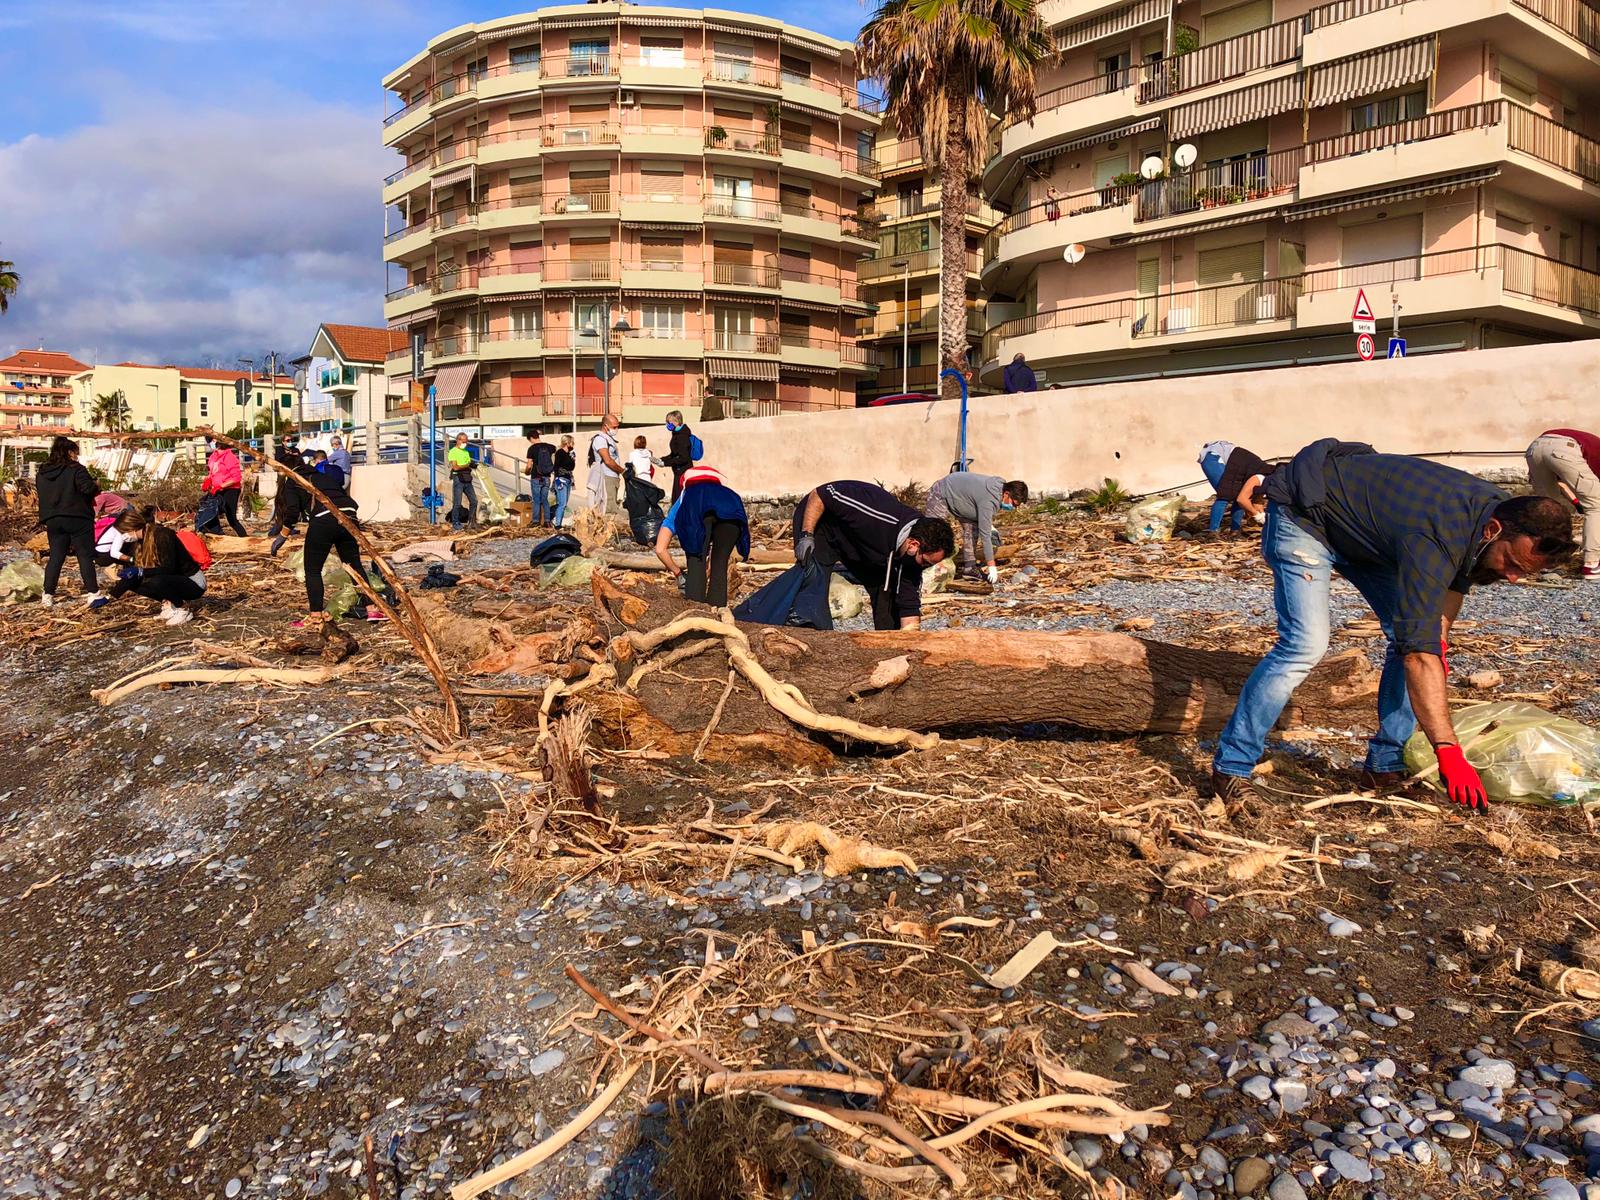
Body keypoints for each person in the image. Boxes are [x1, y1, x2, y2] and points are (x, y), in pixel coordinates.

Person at [1210, 439, 1577, 809]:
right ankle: (1231, 767)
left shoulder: (1496, 520)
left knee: (1418, 644)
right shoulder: (1436, 535)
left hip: (1367, 538)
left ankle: (1384, 766)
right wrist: (1448, 751)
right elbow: (1419, 654)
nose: (1513, 578)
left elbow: (1450, 594)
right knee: (1306, 644)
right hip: (1304, 516)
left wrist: (1437, 647)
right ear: (1493, 531)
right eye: (1511, 564)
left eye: (1523, 573)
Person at [793, 480, 955, 631]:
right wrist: (807, 535)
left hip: (861, 547)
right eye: (925, 563)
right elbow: (822, 493)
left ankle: (887, 644)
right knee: (814, 578)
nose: (924, 568)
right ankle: (807, 631)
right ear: (913, 545)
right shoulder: (878, 515)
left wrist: (911, 640)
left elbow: (909, 604)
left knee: (886, 590)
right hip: (821, 524)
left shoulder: (912, 559)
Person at [297, 462, 387, 625]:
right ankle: (372, 609)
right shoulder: (336, 486)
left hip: (324, 519)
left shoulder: (303, 480)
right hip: (349, 518)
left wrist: (283, 533)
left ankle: (316, 615)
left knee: (312, 570)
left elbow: (291, 509)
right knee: (354, 566)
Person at [653, 465, 749, 607]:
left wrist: (678, 573)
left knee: (696, 562)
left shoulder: (687, 496)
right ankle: (717, 612)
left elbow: (660, 549)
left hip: (697, 515)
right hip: (732, 515)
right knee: (720, 565)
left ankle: (696, 612)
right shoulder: (728, 494)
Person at [102, 509, 207, 625]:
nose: (123, 537)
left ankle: (182, 608)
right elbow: (134, 575)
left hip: (192, 581)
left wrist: (141, 571)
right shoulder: (138, 543)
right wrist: (110, 596)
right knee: (134, 582)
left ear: (132, 527)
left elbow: (169, 568)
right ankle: (168, 603)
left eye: (123, 532)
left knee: (157, 580)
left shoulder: (163, 535)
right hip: (172, 579)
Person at [35, 435, 105, 608]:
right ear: (68, 452)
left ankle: (48, 595)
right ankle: (93, 593)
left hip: (52, 519)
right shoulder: (76, 469)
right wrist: (97, 484)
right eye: (75, 452)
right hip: (77, 517)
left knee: (56, 557)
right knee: (84, 556)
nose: (77, 456)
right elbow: (87, 489)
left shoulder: (42, 472)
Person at [1525, 428, 1600, 581]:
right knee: (1596, 505)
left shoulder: (1591, 446)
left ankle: (1549, 562)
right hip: (1566, 449)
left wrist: (1576, 502)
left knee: (1548, 508)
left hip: (1535, 448)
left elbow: (1562, 481)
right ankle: (1592, 564)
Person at [925, 473, 1028, 583]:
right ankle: (925, 563)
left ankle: (970, 568)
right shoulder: (989, 500)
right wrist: (991, 566)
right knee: (934, 531)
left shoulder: (999, 491)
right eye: (1014, 504)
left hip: (963, 502)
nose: (1013, 508)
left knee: (973, 530)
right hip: (942, 492)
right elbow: (985, 536)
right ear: (1006, 494)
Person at [1198, 440, 1273, 535]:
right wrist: (1258, 516)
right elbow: (1242, 499)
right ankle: (1213, 532)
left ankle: (1235, 531)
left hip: (1234, 463)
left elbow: (1257, 501)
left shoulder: (1268, 479)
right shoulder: (1260, 478)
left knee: (1238, 494)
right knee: (1225, 495)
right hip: (1214, 455)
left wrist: (1263, 516)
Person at [200, 441, 248, 536]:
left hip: (231, 489)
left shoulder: (229, 457)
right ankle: (217, 533)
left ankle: (244, 538)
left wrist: (220, 486)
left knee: (231, 518)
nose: (210, 443)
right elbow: (212, 472)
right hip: (217, 489)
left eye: (212, 441)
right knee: (208, 510)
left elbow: (236, 478)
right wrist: (208, 481)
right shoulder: (213, 456)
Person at [586, 413, 624, 515]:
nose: (616, 429)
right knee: (608, 510)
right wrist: (623, 471)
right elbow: (607, 460)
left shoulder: (608, 438)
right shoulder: (600, 439)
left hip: (612, 477)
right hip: (607, 477)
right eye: (614, 427)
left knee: (611, 508)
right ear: (606, 426)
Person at [659, 410, 696, 501]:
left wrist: (665, 463)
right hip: (678, 471)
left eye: (669, 422)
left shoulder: (682, 436)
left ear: (676, 421)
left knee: (680, 499)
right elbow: (674, 454)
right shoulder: (676, 434)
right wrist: (662, 460)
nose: (667, 424)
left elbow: (683, 458)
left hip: (683, 472)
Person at [525, 427, 556, 528]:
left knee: (536, 500)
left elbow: (529, 465)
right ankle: (547, 521)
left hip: (536, 477)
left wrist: (526, 472)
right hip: (547, 477)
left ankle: (535, 521)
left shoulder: (532, 448)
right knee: (545, 500)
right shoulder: (550, 447)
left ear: (531, 438)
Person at [446, 432, 477, 531]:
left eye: (466, 441)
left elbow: (467, 463)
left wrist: (472, 465)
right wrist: (467, 465)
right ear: (458, 440)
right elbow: (455, 467)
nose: (465, 443)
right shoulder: (453, 451)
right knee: (457, 503)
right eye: (463, 441)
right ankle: (455, 522)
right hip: (458, 479)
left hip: (467, 478)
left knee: (474, 501)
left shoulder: (466, 452)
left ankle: (472, 521)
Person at [552, 434, 577, 528]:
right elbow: (556, 466)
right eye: (572, 442)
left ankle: (559, 522)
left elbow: (571, 467)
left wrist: (573, 459)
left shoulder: (569, 454)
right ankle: (558, 524)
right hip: (561, 479)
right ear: (567, 442)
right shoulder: (560, 453)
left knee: (564, 503)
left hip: (568, 479)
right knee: (562, 503)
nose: (573, 444)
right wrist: (557, 479)